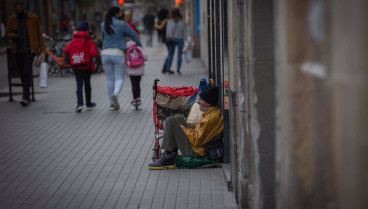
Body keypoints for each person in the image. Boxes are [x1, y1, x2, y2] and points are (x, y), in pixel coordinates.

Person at [148, 87, 224, 170]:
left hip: (196, 151)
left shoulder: (211, 118)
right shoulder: (212, 113)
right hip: (197, 145)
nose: (198, 102)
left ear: (208, 103)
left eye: (201, 100)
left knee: (171, 121)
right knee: (177, 118)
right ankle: (170, 154)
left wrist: (183, 129)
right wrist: (186, 130)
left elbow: (197, 141)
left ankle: (169, 156)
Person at [101, 6, 142, 111]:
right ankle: (115, 94)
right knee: (119, 78)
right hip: (118, 53)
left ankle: (111, 104)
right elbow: (134, 35)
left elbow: (103, 38)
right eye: (120, 13)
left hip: (105, 53)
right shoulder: (122, 24)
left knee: (110, 79)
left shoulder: (103, 24)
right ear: (116, 14)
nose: (121, 15)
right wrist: (139, 45)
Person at [6, 0, 45, 106]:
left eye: (19, 7)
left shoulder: (33, 18)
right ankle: (26, 93)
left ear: (23, 7)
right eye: (15, 8)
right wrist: (12, 35)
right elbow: (7, 33)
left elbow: (39, 35)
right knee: (22, 73)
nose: (17, 9)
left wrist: (42, 51)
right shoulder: (12, 19)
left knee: (27, 71)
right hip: (17, 50)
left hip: (29, 50)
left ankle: (25, 97)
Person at [63, 21, 98, 113]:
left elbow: (66, 50)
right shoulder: (89, 41)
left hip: (76, 66)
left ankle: (79, 104)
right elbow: (94, 53)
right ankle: (89, 103)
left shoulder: (73, 41)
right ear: (87, 31)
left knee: (79, 85)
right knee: (87, 85)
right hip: (86, 66)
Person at [125, 40, 147, 107]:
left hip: (131, 70)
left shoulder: (127, 50)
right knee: (138, 83)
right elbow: (145, 57)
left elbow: (126, 60)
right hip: (139, 69)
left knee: (133, 84)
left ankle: (134, 99)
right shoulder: (139, 48)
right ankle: (138, 98)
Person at [165, 9, 186, 75]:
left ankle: (168, 68)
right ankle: (178, 69)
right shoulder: (181, 21)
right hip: (180, 39)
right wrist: (184, 39)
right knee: (179, 55)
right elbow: (184, 31)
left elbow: (168, 31)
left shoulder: (170, 21)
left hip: (172, 39)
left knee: (170, 54)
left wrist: (168, 37)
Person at [155, 8, 173, 74]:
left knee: (169, 53)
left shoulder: (159, 20)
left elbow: (158, 27)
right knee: (170, 53)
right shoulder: (165, 20)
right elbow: (161, 27)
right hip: (168, 39)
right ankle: (166, 68)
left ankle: (165, 67)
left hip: (165, 39)